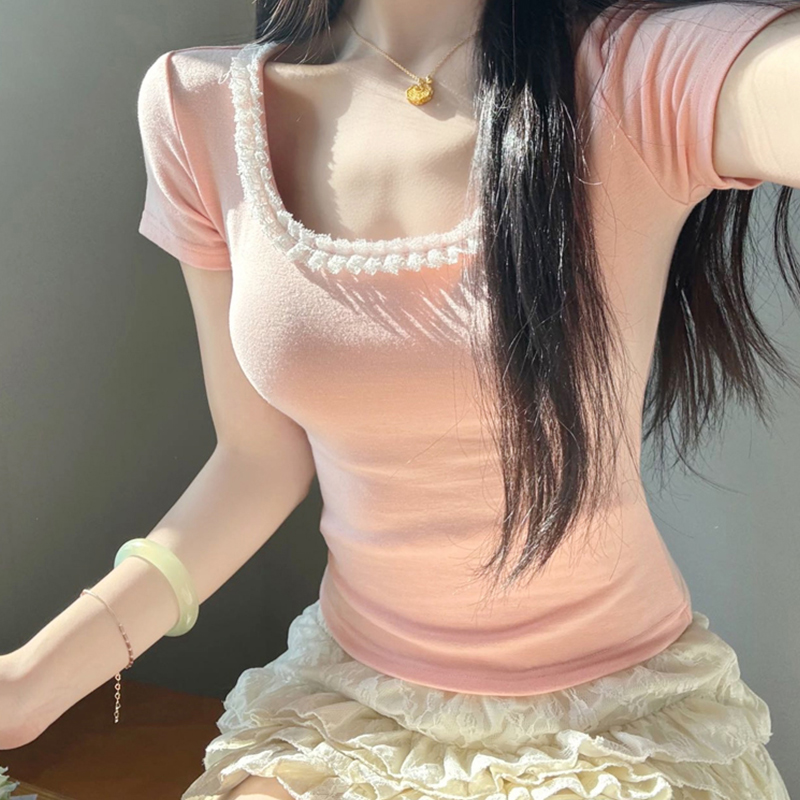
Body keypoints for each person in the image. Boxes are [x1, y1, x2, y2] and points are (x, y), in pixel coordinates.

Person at [2, 0, 800, 797]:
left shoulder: (634, 77)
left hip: (614, 723)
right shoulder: (195, 106)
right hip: (352, 716)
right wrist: (28, 688)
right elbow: (257, 460)